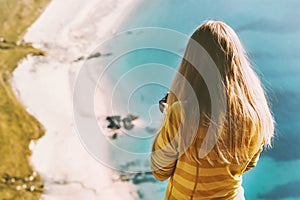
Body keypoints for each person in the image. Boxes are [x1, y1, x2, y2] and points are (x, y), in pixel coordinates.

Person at [151, 20, 274, 199]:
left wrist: (168, 116)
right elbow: (247, 165)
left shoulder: (181, 114)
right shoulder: (255, 114)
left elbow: (160, 170)